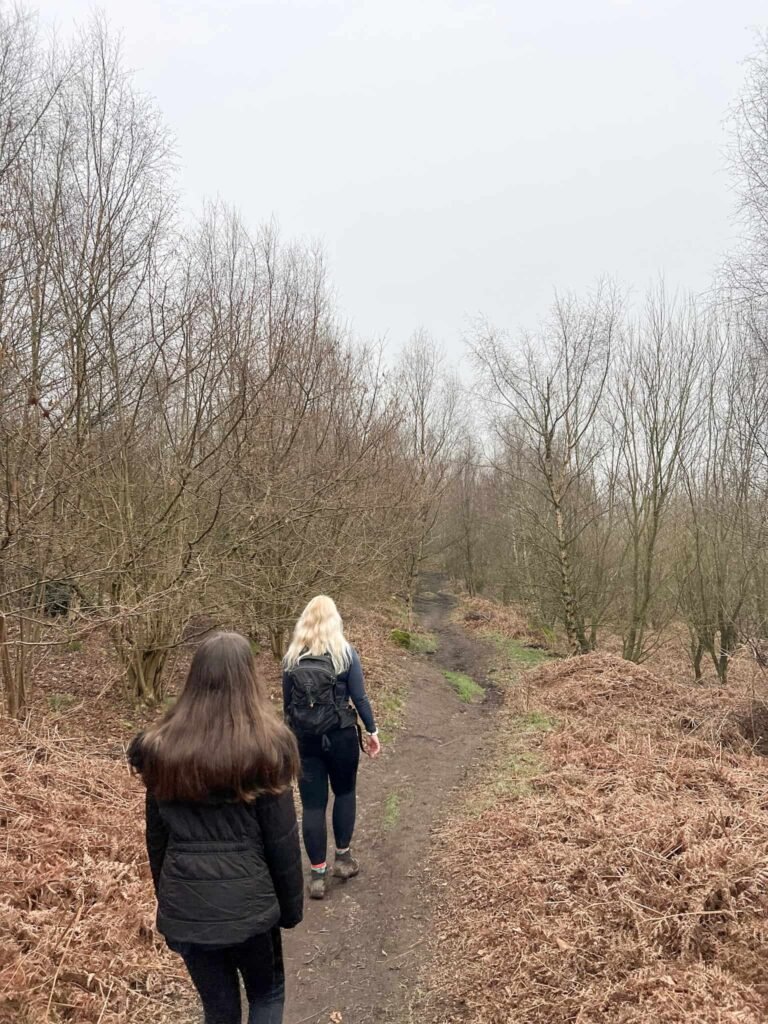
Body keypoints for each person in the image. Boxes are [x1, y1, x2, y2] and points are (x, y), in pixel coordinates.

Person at [128, 632, 303, 1024]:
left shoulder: (160, 749)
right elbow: (282, 842)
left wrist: (173, 901)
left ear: (194, 679)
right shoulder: (267, 748)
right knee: (267, 995)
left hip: (187, 908)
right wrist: (289, 910)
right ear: (249, 679)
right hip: (252, 910)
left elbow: (157, 841)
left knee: (219, 1010)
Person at [282, 595, 381, 900]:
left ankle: (316, 875)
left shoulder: (293, 656)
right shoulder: (345, 654)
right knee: (345, 793)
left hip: (304, 739)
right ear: (335, 620)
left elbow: (287, 706)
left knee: (312, 805)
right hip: (340, 736)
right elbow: (360, 698)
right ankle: (343, 859)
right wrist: (372, 730)